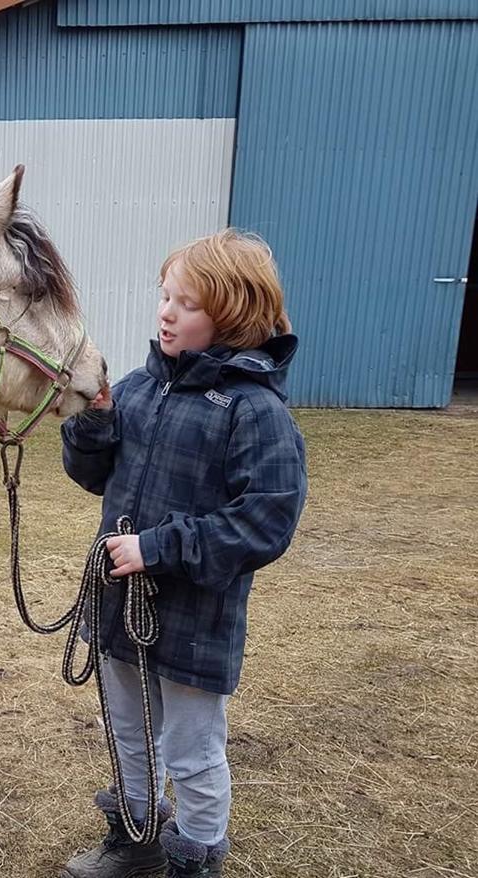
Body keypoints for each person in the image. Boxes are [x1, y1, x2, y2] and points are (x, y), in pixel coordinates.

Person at [59, 229, 308, 878]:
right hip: (120, 605)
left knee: (192, 751)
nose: (167, 312)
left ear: (233, 314)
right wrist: (92, 423)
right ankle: (135, 840)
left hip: (196, 618)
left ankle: (195, 863)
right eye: (166, 297)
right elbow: (95, 476)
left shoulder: (255, 412)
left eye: (187, 303)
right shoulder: (141, 388)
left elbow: (265, 522)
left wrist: (158, 547)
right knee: (130, 735)